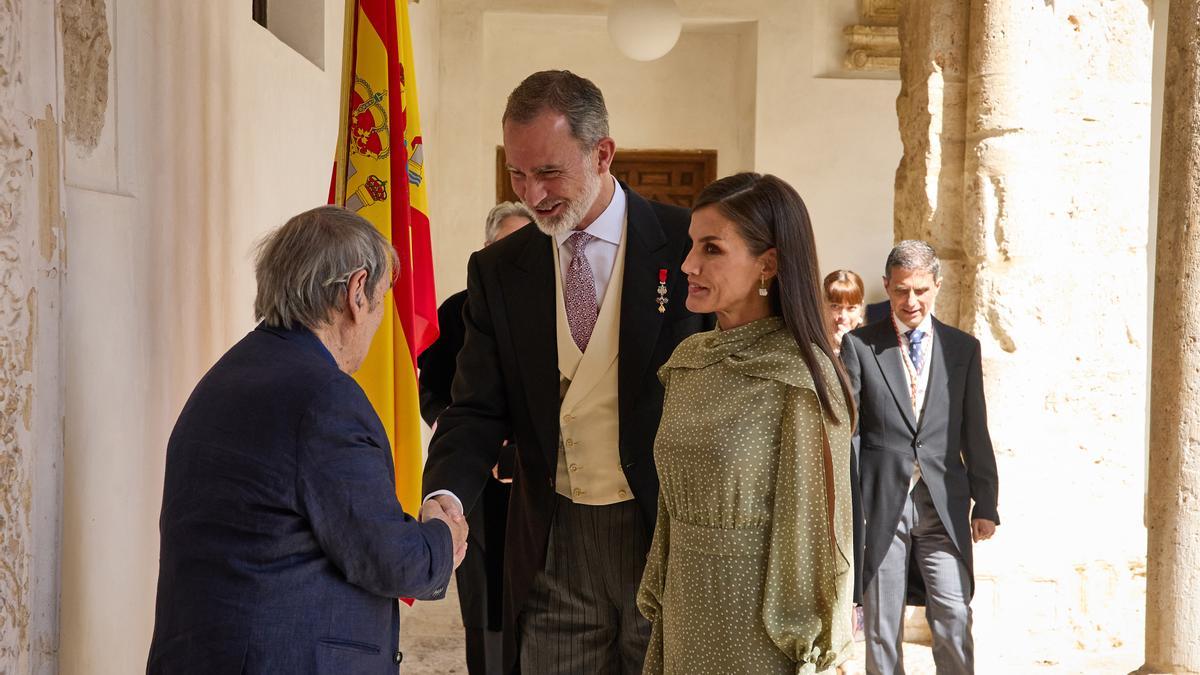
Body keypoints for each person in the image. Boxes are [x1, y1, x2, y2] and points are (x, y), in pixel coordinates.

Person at [420, 70, 711, 673]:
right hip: (552, 539)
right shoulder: (498, 270)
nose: (531, 194)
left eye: (548, 172)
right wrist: (444, 493)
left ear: (602, 154)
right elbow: (474, 407)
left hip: (666, 533)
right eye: (517, 174)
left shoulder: (688, 245)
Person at [146, 205, 467, 674]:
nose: (379, 322)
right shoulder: (324, 400)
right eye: (381, 300)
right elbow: (388, 561)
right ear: (357, 292)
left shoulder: (228, 374)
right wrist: (444, 537)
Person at [637, 173, 856, 674]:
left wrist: (812, 645)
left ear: (769, 264)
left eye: (711, 249)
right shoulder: (689, 360)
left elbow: (817, 533)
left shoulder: (801, 378)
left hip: (760, 627)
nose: (688, 264)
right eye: (691, 245)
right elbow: (670, 509)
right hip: (683, 610)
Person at [840, 240, 1000, 675]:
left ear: (936, 287)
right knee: (881, 625)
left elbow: (974, 428)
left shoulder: (962, 348)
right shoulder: (859, 346)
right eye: (901, 291)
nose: (911, 301)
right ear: (888, 287)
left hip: (943, 503)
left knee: (953, 615)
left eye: (921, 290)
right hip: (881, 504)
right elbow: (848, 430)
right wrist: (847, 501)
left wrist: (985, 503)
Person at [417, 200, 532, 675]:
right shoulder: (457, 310)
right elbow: (432, 389)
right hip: (479, 488)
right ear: (486, 249)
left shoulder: (559, 311)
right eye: (506, 246)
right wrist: (468, 442)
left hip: (536, 480)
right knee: (484, 600)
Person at [823, 269, 866, 356]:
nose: (843, 316)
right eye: (835, 306)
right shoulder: (812, 345)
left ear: (861, 307)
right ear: (822, 305)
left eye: (851, 308)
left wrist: (848, 352)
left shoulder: (870, 346)